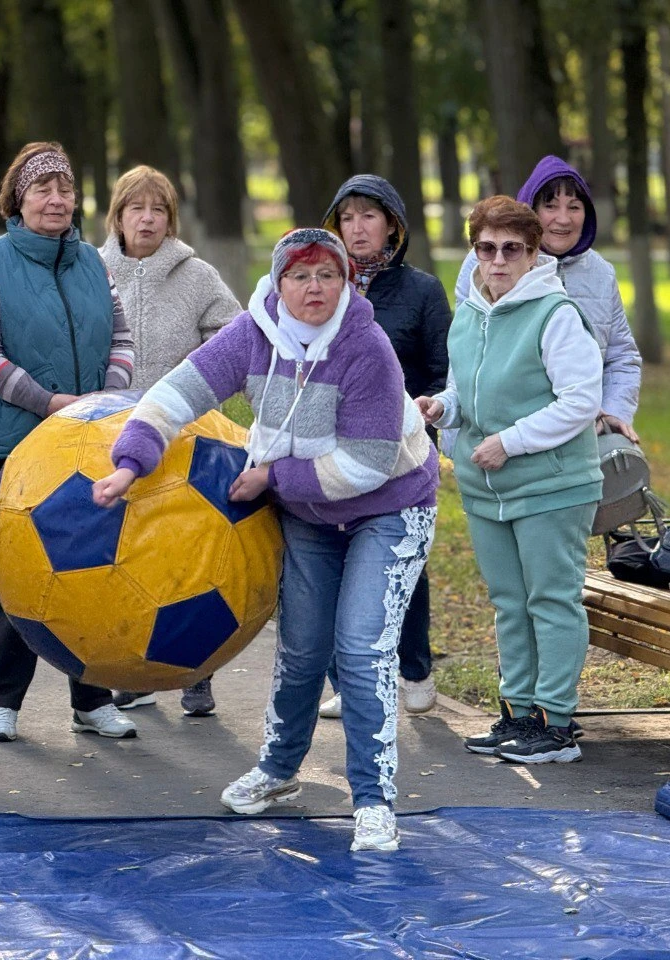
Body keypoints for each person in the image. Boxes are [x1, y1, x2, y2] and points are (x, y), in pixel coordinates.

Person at [95, 229, 438, 852]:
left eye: (328, 276)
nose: (315, 289)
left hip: (391, 507)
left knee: (360, 652)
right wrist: (130, 460)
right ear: (278, 284)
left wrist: (272, 477)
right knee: (303, 649)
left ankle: (374, 800)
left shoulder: (367, 346)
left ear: (346, 282)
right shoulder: (254, 334)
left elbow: (365, 464)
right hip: (310, 514)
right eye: (301, 276)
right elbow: (175, 394)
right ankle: (280, 771)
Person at [0, 142, 137, 744]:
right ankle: (2, 702)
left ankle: (92, 700)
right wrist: (50, 404)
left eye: (65, 189)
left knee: (96, 569)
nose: (57, 200)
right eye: (43, 189)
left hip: (92, 443)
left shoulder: (94, 260)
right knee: (18, 571)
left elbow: (122, 339)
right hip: (17, 444)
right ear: (18, 199)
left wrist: (105, 403)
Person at [418, 196, 602, 764]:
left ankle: (557, 725)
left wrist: (511, 440)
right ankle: (518, 714)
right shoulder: (471, 312)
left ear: (532, 253)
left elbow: (581, 400)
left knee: (551, 600)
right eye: (486, 248)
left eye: (511, 250)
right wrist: (442, 409)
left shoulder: (555, 313)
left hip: (551, 485)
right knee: (509, 602)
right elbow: (464, 390)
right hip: (485, 486)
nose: (497, 260)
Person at [98, 164, 241, 718]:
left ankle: (197, 675)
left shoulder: (197, 274)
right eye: (137, 208)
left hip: (185, 439)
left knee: (189, 562)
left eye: (159, 209)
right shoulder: (94, 269)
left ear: (171, 218)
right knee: (127, 560)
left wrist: (194, 382)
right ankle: (134, 671)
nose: (148, 218)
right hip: (110, 439)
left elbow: (234, 338)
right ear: (118, 215)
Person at [317, 174, 451, 720]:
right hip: (330, 452)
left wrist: (430, 403)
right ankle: (351, 681)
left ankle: (414, 669)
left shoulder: (421, 291)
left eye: (368, 216)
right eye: (346, 218)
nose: (357, 227)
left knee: (399, 562)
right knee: (333, 564)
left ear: (392, 223)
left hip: (401, 454)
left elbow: (446, 372)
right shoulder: (324, 285)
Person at [454, 156, 641, 443]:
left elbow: (622, 357)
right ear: (530, 211)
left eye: (574, 207)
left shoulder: (601, 274)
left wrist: (616, 410)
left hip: (582, 434)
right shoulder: (487, 261)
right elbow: (467, 354)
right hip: (499, 438)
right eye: (550, 206)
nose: (563, 219)